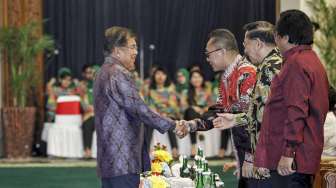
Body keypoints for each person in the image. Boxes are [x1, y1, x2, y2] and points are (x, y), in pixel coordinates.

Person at [93, 26, 185, 188]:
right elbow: (140, 109)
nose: (136, 52)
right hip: (124, 160)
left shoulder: (102, 72)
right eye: (132, 47)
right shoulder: (118, 73)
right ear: (117, 51)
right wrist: (173, 124)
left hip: (110, 160)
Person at [253, 10, 329, 188]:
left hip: (290, 160)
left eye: (277, 37)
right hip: (300, 156)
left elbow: (296, 111)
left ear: (285, 38)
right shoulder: (312, 60)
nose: (276, 43)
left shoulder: (296, 63)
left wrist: (288, 152)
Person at [180, 28, 257, 186]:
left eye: (208, 54)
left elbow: (254, 119)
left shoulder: (246, 73)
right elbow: (220, 111)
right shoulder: (227, 77)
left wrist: (250, 158)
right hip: (243, 155)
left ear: (221, 51)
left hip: (256, 158)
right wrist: (192, 125)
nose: (207, 59)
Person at [212, 21, 283, 187]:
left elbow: (262, 117)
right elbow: (260, 110)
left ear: (258, 44)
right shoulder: (277, 62)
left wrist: (251, 157)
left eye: (246, 44)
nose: (244, 49)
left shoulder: (269, 68)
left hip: (270, 155)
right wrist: (234, 120)